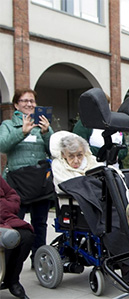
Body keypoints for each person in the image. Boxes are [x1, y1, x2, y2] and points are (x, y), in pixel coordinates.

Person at [0, 88, 53, 265]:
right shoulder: (8, 125)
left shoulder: (43, 125)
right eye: (24, 101)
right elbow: (2, 146)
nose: (29, 104)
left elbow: (54, 150)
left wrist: (47, 133)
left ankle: (39, 260)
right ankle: (11, 264)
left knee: (40, 223)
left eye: (32, 101)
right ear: (16, 104)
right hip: (17, 183)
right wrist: (21, 132)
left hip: (39, 182)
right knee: (15, 223)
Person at [0, 177, 33, 299]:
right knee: (6, 240)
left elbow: (12, 195)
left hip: (6, 218)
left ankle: (12, 280)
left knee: (26, 236)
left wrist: (6, 206)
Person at [73, 93, 127, 168]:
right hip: (92, 170)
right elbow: (79, 147)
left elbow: (124, 148)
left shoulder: (114, 122)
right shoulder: (84, 124)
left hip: (116, 170)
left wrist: (115, 154)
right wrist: (104, 152)